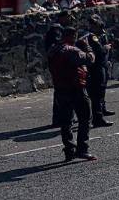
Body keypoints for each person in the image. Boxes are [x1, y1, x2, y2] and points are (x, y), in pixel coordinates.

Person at [48, 26, 96, 161]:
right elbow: (90, 59)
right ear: (72, 36)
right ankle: (82, 149)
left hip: (60, 89)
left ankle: (69, 149)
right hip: (75, 88)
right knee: (85, 118)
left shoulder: (53, 49)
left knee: (66, 121)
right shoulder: (72, 50)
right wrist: (87, 47)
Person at [85, 15, 113, 127]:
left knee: (100, 92)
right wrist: (105, 48)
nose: (101, 30)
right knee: (97, 93)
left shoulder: (99, 36)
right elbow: (100, 51)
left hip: (101, 65)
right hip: (96, 67)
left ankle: (100, 113)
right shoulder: (92, 37)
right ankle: (97, 118)